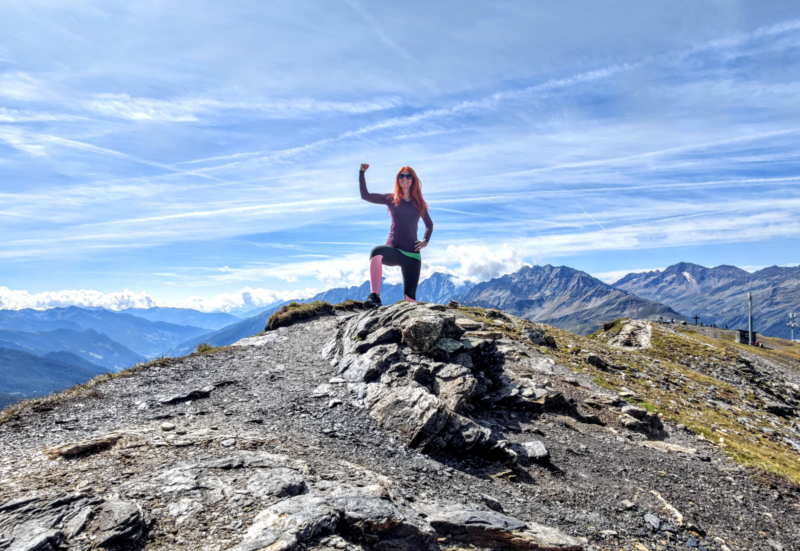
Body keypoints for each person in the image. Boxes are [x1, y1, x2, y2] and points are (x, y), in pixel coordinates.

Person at [358, 163, 433, 308]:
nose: (404, 178)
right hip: (395, 250)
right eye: (401, 176)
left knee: (410, 302)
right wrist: (361, 173)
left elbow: (429, 225)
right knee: (376, 252)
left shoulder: (419, 204)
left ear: (413, 180)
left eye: (408, 176)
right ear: (398, 179)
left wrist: (425, 240)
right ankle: (375, 297)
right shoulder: (390, 199)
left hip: (413, 255)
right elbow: (365, 196)